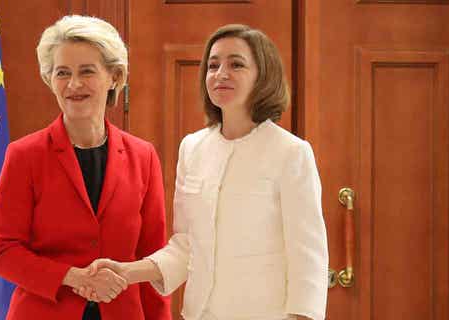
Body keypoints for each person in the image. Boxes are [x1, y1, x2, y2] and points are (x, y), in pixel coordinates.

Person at [79, 24, 329, 320]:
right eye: (213, 65)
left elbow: (308, 255)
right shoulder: (193, 148)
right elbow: (186, 246)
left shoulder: (291, 152)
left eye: (236, 64)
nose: (221, 73)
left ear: (263, 75)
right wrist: (127, 271)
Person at [0, 15, 171, 320]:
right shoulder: (23, 155)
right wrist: (75, 277)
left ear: (114, 76)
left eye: (87, 71)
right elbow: (4, 252)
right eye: (62, 72)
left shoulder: (143, 156)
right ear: (50, 79)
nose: (74, 84)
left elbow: (153, 260)